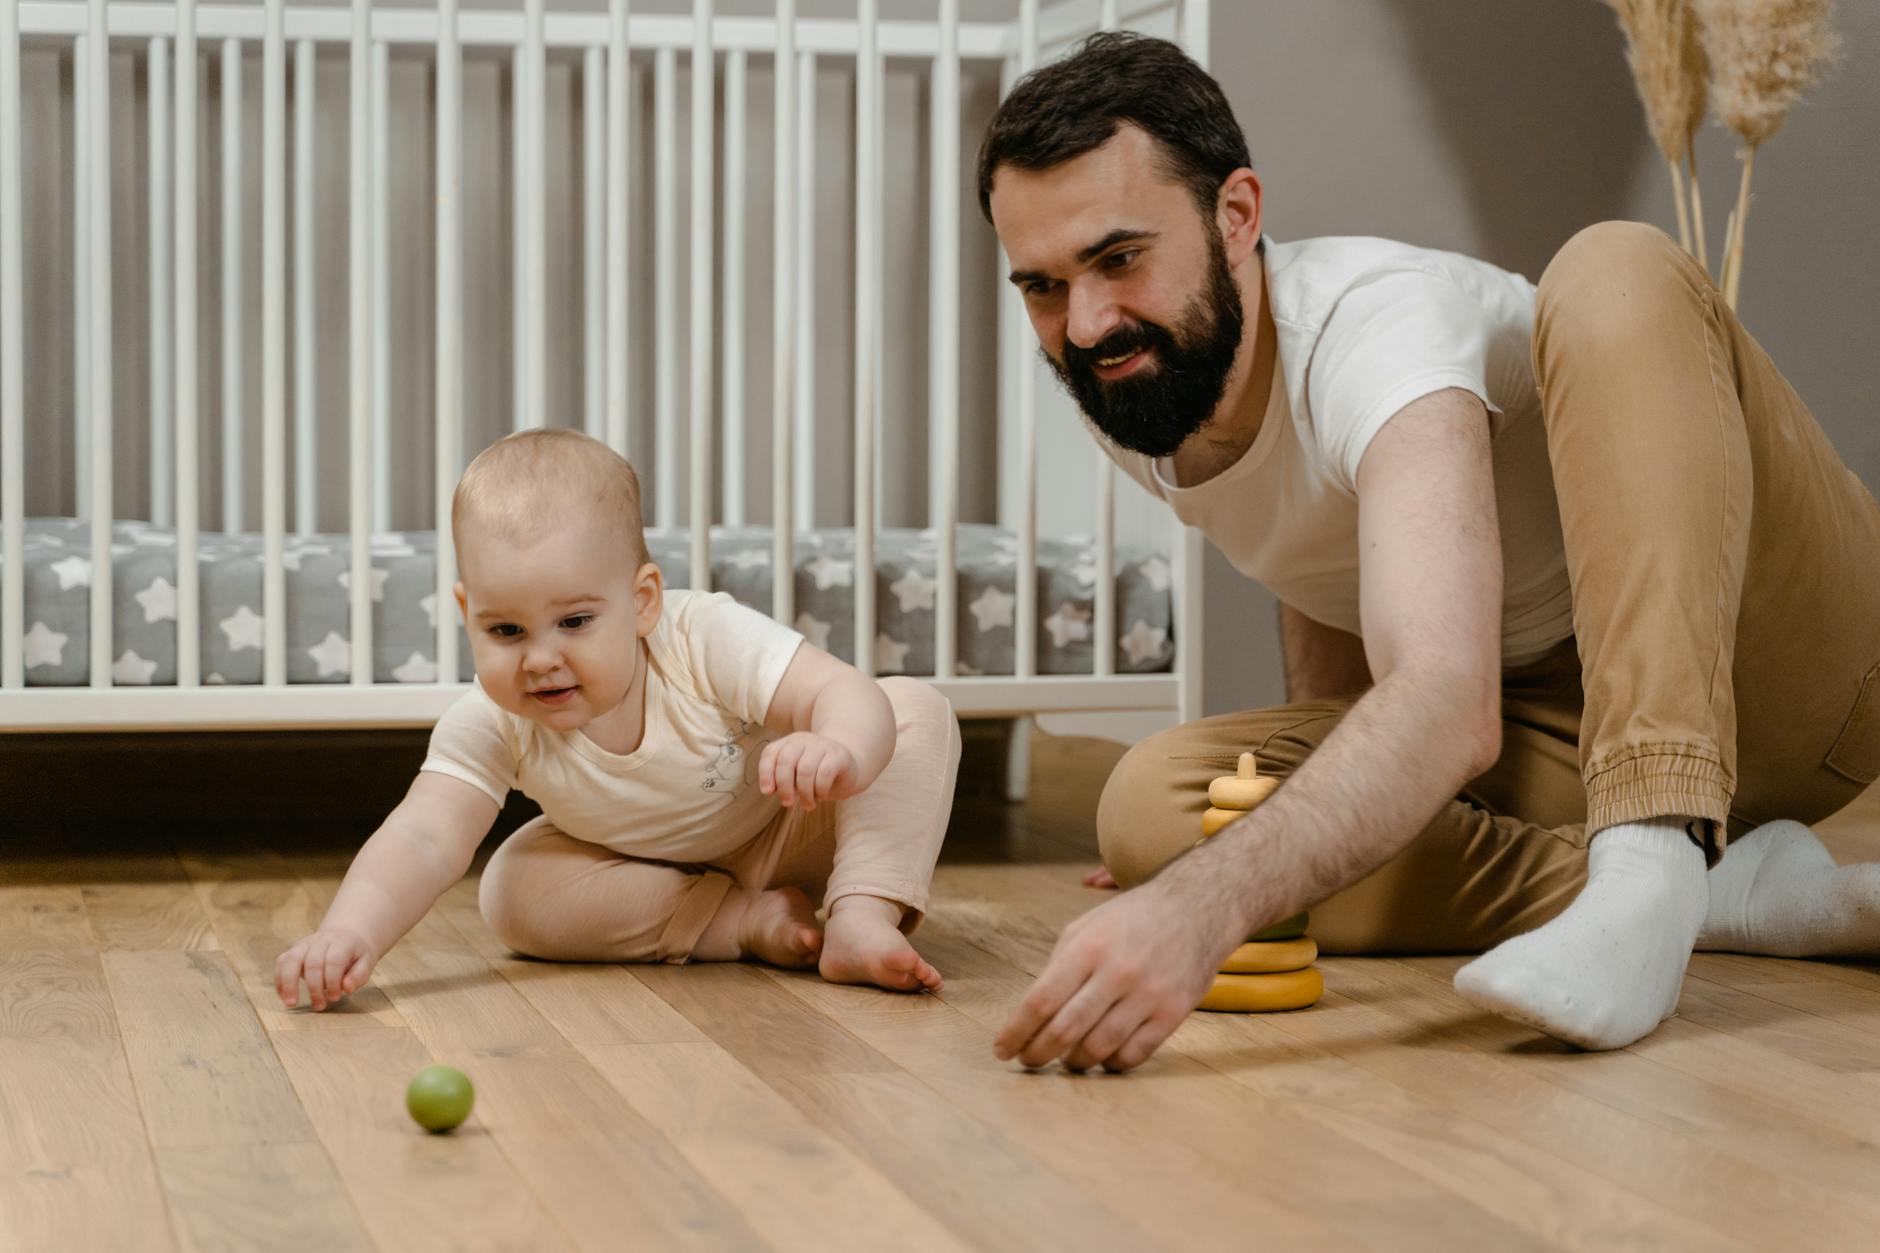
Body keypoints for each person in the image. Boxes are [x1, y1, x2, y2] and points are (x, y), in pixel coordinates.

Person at [977, 32, 1880, 1071]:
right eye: (1040, 287)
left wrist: (1198, 905)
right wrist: (1220, 840)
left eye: (1117, 257)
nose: (1084, 322)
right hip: (1558, 724)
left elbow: (1444, 702)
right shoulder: (1138, 377)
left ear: (1235, 215)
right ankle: (1735, 894)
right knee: (1152, 805)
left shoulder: (1375, 330)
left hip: (1781, 662)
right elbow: (1317, 547)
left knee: (1609, 266)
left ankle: (1649, 854)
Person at [275, 429, 961, 1009]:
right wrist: (348, 932)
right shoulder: (489, 721)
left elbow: (838, 688)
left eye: (574, 621)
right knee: (511, 890)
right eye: (507, 630)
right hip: (635, 874)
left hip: (791, 820)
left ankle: (862, 911)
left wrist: (837, 745)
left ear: (642, 601)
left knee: (909, 709)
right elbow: (423, 837)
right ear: (467, 614)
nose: (541, 658)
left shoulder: (700, 638)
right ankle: (738, 922)